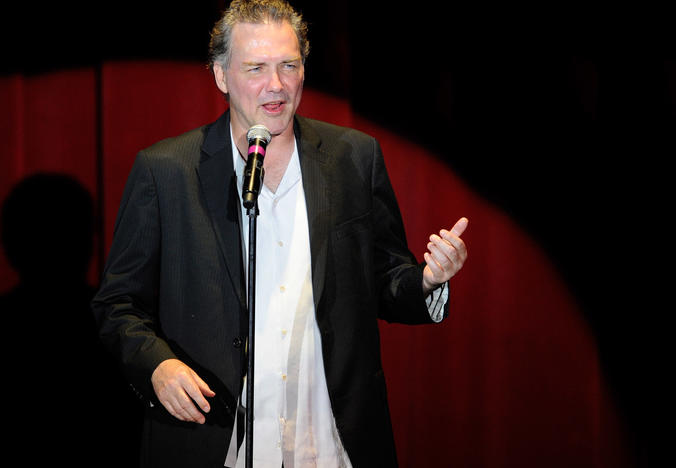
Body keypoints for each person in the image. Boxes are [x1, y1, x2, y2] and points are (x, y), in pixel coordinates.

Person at [92, 1, 468, 467]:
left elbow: (387, 280)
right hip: (213, 442)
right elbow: (117, 304)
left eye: (289, 65)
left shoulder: (353, 158)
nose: (276, 85)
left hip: (329, 442)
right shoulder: (165, 170)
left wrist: (429, 280)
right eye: (256, 68)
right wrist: (157, 366)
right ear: (220, 76)